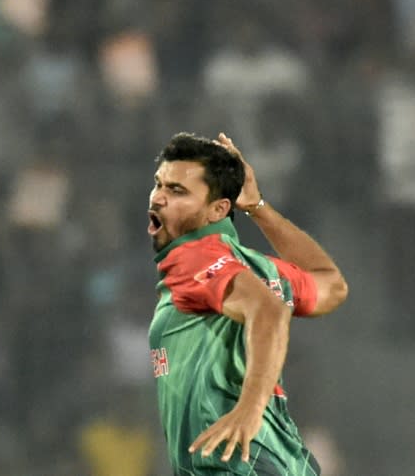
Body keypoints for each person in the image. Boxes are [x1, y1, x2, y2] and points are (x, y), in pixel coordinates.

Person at [147, 132, 348, 475]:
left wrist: (249, 410)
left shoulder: (194, 259)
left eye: (178, 191)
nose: (159, 198)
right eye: (159, 184)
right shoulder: (258, 268)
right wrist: (258, 207)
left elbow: (269, 310)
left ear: (218, 209)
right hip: (279, 462)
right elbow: (330, 284)